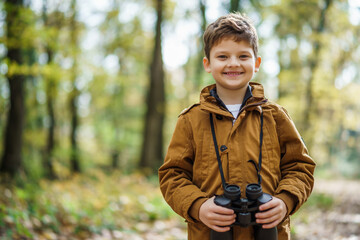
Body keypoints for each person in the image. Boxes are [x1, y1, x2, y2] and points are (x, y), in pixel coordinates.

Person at [158, 13, 315, 240]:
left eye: (243, 56)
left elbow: (300, 167)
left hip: (268, 233)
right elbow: (172, 175)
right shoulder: (190, 120)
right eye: (223, 56)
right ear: (208, 64)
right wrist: (199, 206)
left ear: (256, 63)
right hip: (210, 233)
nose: (233, 63)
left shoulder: (276, 117)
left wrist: (284, 201)